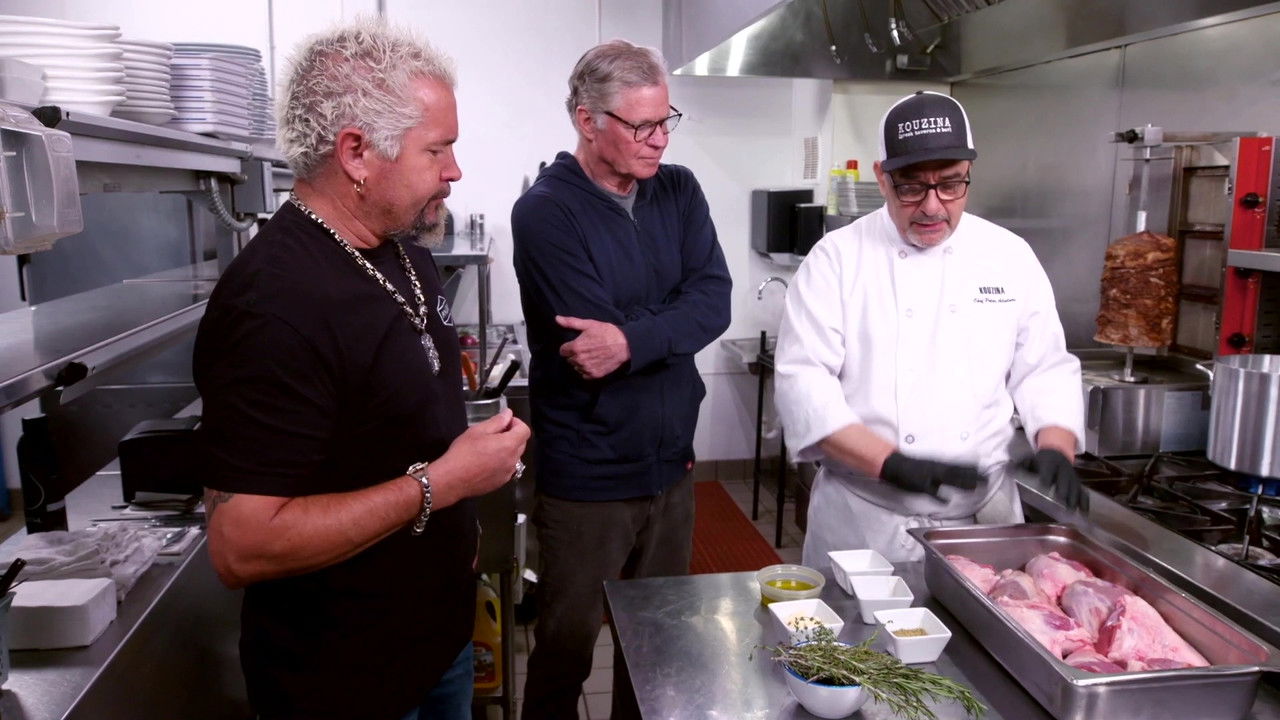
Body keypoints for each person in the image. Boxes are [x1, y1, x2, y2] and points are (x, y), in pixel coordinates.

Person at [193, 20, 529, 720]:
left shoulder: (406, 253)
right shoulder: (274, 302)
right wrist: (444, 483)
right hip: (343, 680)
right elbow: (242, 544)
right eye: (437, 149)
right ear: (356, 153)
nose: (455, 171)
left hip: (438, 645)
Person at [512, 39, 731, 720]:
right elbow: (589, 344)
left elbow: (714, 300)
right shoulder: (546, 212)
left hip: (671, 466)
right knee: (567, 649)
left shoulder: (679, 190)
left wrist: (633, 339)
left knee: (660, 649)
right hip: (589, 476)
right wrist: (670, 323)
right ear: (588, 120)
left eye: (666, 121)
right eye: (642, 126)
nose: (659, 139)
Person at [774, 90, 1086, 567]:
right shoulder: (836, 259)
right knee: (853, 619)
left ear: (968, 173)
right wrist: (889, 462)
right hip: (866, 520)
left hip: (984, 521)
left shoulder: (1008, 255)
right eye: (912, 187)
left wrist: (1056, 447)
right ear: (882, 177)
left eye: (951, 184)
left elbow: (1044, 367)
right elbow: (803, 383)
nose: (932, 206)